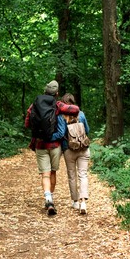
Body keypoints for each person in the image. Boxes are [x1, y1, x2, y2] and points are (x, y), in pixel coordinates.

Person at [24, 81, 79, 215]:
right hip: (55, 146)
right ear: (57, 93)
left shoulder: (34, 105)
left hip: (40, 144)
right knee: (53, 172)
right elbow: (75, 110)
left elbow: (27, 124)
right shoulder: (57, 104)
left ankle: (48, 199)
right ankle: (50, 197)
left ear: (45, 91)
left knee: (45, 174)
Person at [58, 93, 91, 214]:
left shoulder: (62, 116)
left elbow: (61, 134)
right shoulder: (81, 114)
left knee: (72, 175)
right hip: (83, 148)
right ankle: (83, 202)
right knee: (83, 174)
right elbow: (87, 130)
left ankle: (75, 201)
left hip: (69, 149)